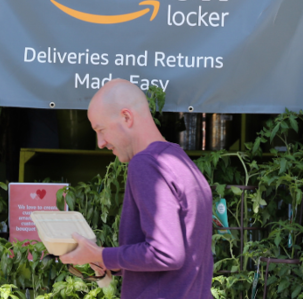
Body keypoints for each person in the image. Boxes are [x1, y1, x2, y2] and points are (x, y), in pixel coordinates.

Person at [60, 78, 213, 299]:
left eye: (101, 129)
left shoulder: (146, 163)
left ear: (126, 117)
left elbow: (166, 253)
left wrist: (102, 255)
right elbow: (180, 258)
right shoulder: (179, 160)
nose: (100, 142)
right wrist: (110, 261)